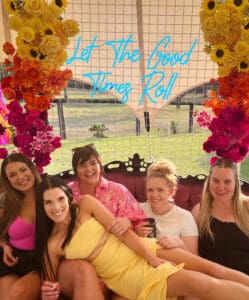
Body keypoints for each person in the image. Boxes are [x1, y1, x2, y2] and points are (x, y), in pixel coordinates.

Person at [35, 176, 249, 300]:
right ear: (41, 206)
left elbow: (123, 232)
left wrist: (152, 258)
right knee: (202, 284)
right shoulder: (53, 245)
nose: (56, 207)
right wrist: (50, 290)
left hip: (142, 250)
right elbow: (49, 283)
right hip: (126, 275)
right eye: (48, 203)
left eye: (60, 199)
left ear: (70, 198)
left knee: (215, 269)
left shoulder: (86, 204)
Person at [0, 153, 104, 300]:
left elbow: (75, 212)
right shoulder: (7, 202)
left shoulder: (50, 191)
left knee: (17, 292)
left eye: (23, 169)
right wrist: (4, 245)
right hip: (13, 261)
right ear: (8, 180)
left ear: (32, 168)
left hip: (41, 260)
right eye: (12, 175)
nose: (20, 177)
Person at [191, 157, 249, 275]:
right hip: (215, 283)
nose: (221, 187)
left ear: (236, 183)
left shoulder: (247, 206)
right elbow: (193, 255)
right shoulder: (199, 211)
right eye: (216, 181)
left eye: (227, 181)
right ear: (209, 182)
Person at [139, 159, 198, 254]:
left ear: (171, 192)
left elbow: (194, 257)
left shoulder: (184, 217)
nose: (154, 195)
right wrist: (135, 231)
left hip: (173, 265)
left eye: (160, 190)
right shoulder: (138, 209)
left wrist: (179, 244)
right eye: (150, 190)